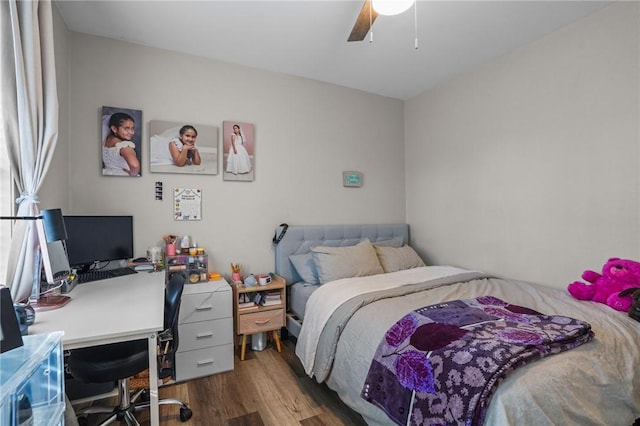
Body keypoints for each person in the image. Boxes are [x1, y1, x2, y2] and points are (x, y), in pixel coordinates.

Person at [102, 112, 140, 176]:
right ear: (114, 129)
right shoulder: (124, 145)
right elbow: (135, 165)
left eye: (132, 128)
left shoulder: (106, 141)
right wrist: (133, 175)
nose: (131, 132)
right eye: (126, 128)